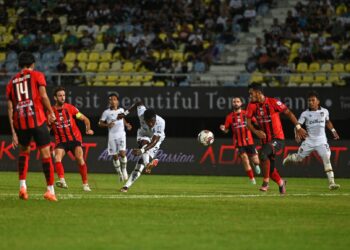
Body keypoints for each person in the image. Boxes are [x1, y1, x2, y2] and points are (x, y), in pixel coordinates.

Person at [6, 51, 57, 201]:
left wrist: (13, 131)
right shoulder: (37, 75)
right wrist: (50, 111)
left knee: (24, 152)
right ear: (33, 64)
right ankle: (50, 190)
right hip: (37, 119)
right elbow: (43, 95)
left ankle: (23, 186)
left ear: (19, 65)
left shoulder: (11, 82)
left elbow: (10, 108)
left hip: (20, 121)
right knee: (46, 154)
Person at [246, 83, 307, 194]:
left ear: (259, 93)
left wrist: (298, 127)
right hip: (265, 141)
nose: (250, 96)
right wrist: (256, 132)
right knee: (270, 170)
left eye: (251, 93)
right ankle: (281, 183)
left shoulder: (273, 102)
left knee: (263, 154)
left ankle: (265, 183)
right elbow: (248, 123)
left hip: (278, 139)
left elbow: (288, 112)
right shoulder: (251, 105)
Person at [283, 91, 340, 190]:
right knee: (299, 159)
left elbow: (327, 122)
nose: (310, 102)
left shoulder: (325, 111)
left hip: (322, 141)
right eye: (309, 100)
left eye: (313, 100)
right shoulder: (305, 113)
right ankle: (290, 157)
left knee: (326, 157)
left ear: (318, 101)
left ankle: (332, 183)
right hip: (309, 141)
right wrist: (296, 134)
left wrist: (333, 130)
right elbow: (298, 125)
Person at [50, 86, 93, 192]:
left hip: (74, 139)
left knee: (79, 158)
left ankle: (85, 184)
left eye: (64, 95)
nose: (62, 97)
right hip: (61, 141)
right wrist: (49, 122)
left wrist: (88, 129)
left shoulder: (70, 108)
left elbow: (85, 119)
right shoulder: (50, 111)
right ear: (55, 98)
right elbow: (47, 127)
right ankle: (62, 181)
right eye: (60, 96)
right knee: (57, 157)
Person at [117, 101, 165, 192]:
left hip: (156, 140)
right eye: (149, 122)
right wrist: (125, 113)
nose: (151, 124)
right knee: (144, 143)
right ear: (144, 119)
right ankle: (148, 164)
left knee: (140, 163)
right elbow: (139, 103)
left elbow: (154, 141)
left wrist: (142, 151)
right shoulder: (141, 113)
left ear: (155, 119)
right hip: (143, 134)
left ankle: (126, 186)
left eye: (153, 122)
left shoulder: (161, 122)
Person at [220, 97, 261, 184]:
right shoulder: (229, 117)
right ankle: (252, 179)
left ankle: (255, 164)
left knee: (256, 161)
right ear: (232, 104)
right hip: (238, 143)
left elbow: (256, 123)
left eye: (237, 101)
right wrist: (223, 128)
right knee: (245, 159)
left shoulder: (246, 114)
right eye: (234, 102)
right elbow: (227, 130)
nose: (236, 103)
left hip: (249, 142)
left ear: (241, 103)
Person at [98, 93, 132, 182]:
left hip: (121, 135)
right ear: (109, 101)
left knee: (123, 153)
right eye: (110, 99)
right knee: (115, 156)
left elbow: (123, 119)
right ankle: (119, 173)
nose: (112, 101)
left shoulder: (121, 110)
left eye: (114, 99)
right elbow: (100, 123)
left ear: (117, 101)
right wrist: (107, 124)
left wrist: (127, 124)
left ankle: (124, 170)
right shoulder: (106, 112)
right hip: (112, 136)